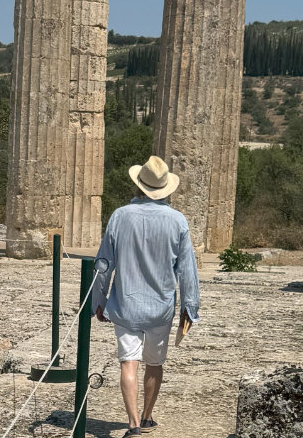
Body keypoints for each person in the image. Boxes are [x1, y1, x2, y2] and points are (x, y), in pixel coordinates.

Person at [92, 155, 200, 435]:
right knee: (154, 363)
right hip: (160, 307)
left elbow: (104, 264)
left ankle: (133, 424)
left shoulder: (120, 216)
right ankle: (148, 415)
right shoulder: (178, 221)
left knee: (128, 362)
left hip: (126, 304)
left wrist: (98, 301)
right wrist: (190, 306)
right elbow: (188, 269)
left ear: (139, 185)